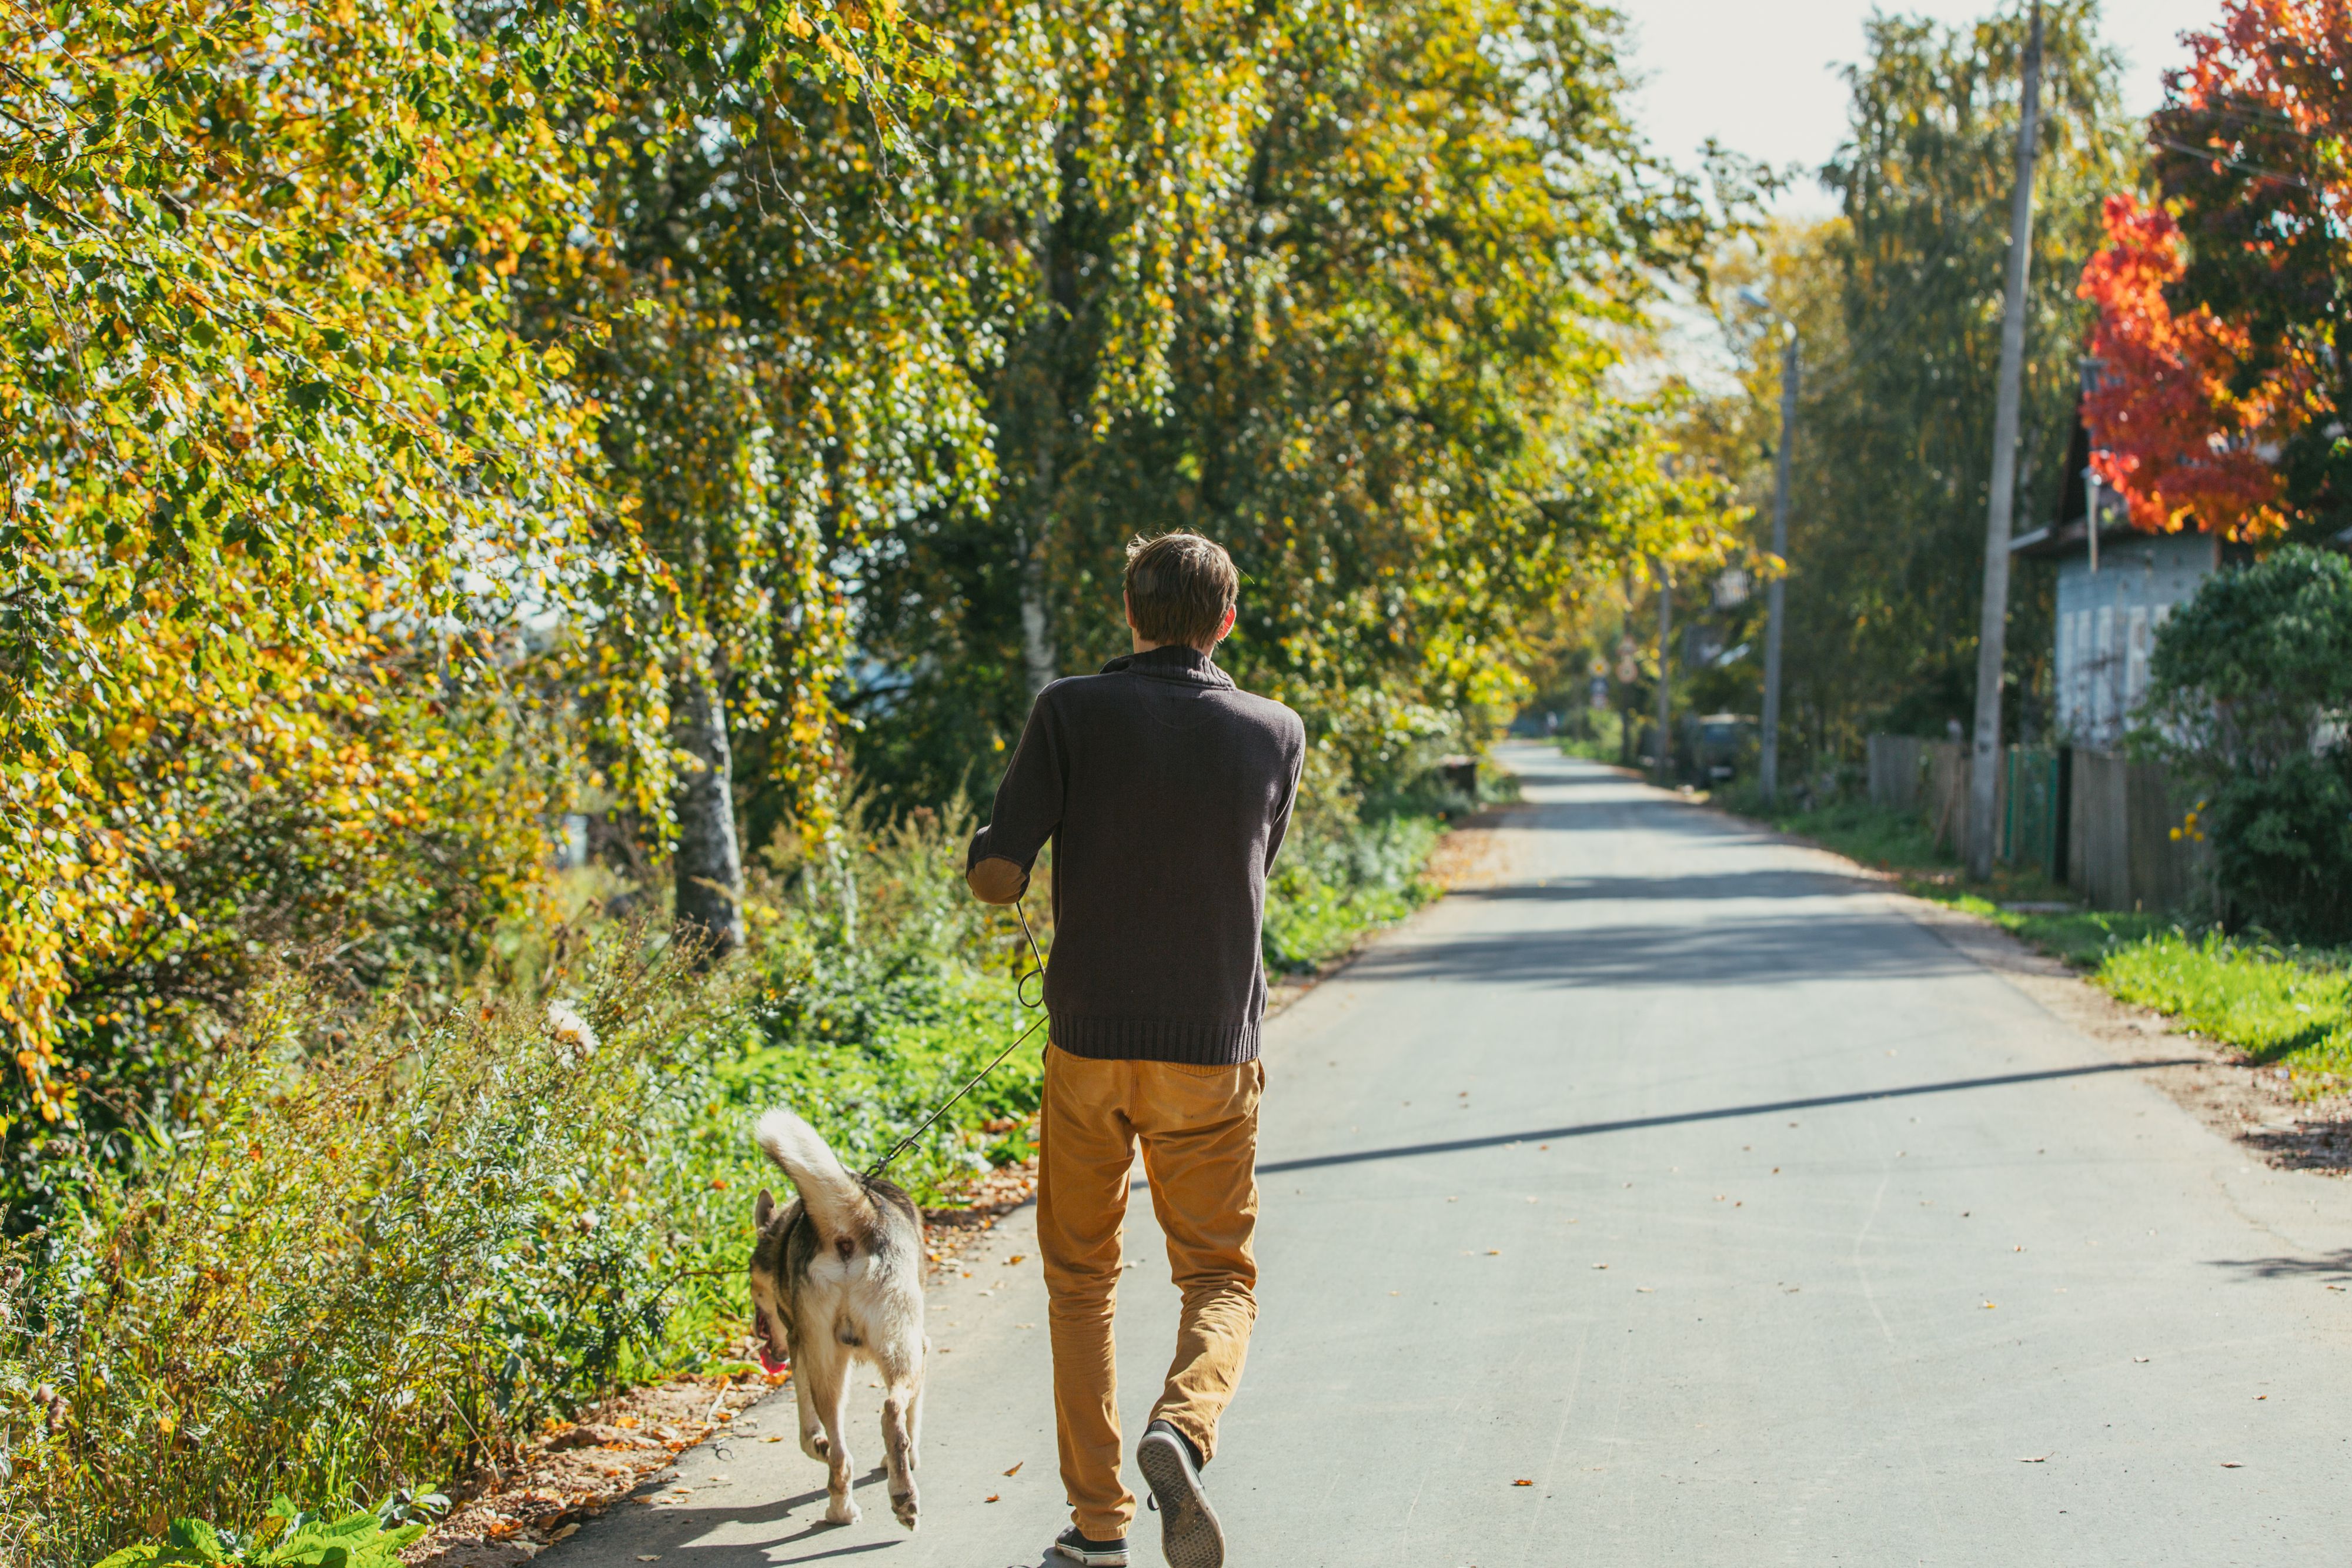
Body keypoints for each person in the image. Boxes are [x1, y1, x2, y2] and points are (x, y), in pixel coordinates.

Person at [965, 531, 1305, 1568]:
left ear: (1129, 612)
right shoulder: (1276, 731)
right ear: (1226, 620)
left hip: (1089, 1046)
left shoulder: (1069, 710)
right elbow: (1253, 860)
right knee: (1218, 1276)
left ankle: (1098, 1527)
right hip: (1211, 1047)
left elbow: (999, 875)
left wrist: (993, 858)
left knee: (1081, 1281)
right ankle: (1182, 1429)